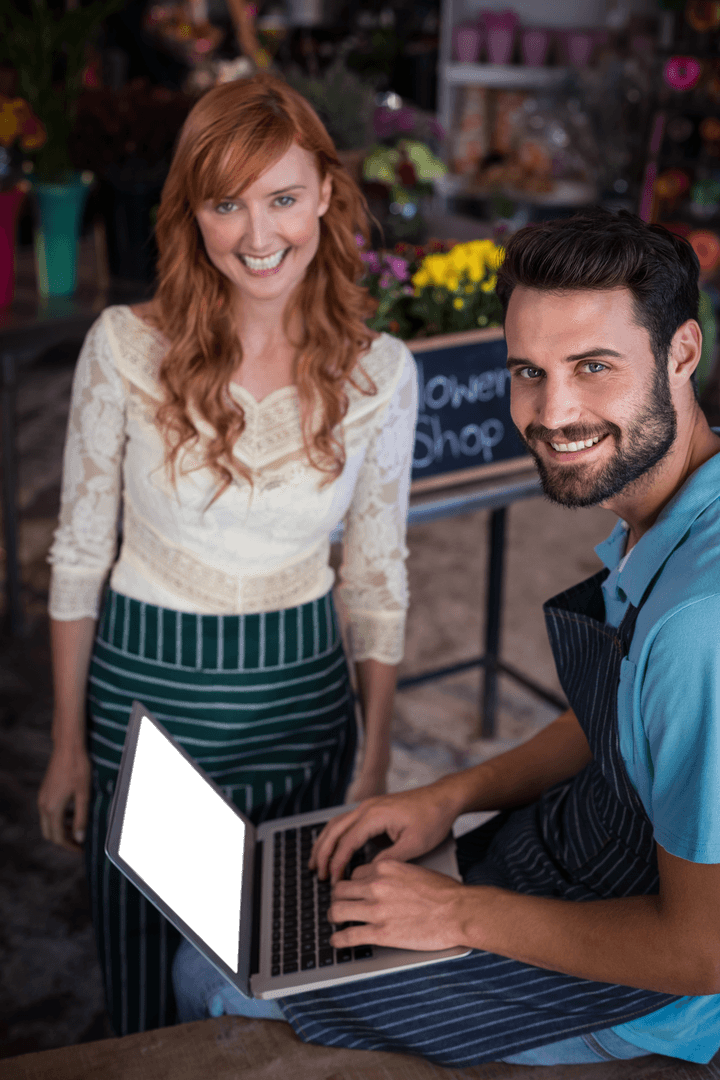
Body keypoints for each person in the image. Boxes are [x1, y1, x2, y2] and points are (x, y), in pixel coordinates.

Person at [174, 208, 720, 1066]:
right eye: (529, 372)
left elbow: (703, 952)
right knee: (297, 909)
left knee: (212, 969)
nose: (555, 411)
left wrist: (455, 913)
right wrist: (449, 797)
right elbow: (621, 722)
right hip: (576, 857)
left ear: (683, 353)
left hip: (652, 992)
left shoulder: (701, 623)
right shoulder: (680, 516)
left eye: (593, 367)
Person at [37, 72, 418, 1036]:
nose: (258, 235)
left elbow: (375, 576)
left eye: (283, 198)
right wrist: (68, 742)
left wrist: (373, 762)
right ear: (191, 211)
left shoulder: (382, 373)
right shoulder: (123, 347)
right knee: (144, 991)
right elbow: (79, 552)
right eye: (226, 203)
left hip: (303, 700)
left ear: (327, 194)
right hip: (147, 707)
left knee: (282, 990)